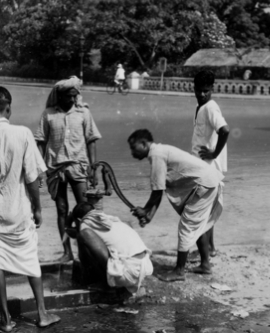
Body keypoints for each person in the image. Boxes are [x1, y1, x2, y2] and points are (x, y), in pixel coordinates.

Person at [0, 86, 61, 332]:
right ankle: (42, 314)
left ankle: (5, 320)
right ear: (9, 108)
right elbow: (32, 179)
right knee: (30, 259)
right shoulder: (23, 133)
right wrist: (37, 208)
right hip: (17, 208)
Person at [128, 129, 224, 282]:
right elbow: (159, 189)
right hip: (209, 181)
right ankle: (205, 265)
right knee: (198, 225)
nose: (132, 152)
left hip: (204, 184)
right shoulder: (160, 151)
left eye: (134, 148)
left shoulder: (156, 155)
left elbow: (157, 191)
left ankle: (179, 271)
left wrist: (146, 211)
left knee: (186, 227)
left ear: (144, 143)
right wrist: (149, 216)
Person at [35, 76, 101, 262]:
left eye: (75, 96)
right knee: (61, 209)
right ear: (60, 96)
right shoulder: (48, 114)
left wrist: (94, 168)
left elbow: (91, 140)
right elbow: (40, 141)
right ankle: (67, 252)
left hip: (79, 167)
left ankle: (86, 251)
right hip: (55, 170)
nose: (72, 99)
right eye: (69, 96)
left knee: (85, 209)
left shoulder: (83, 113)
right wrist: (40, 169)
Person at [66, 202, 153, 299]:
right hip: (145, 267)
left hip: (128, 274)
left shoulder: (85, 225)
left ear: (78, 220)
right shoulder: (112, 219)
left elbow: (85, 262)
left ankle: (107, 284)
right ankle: (126, 282)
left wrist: (69, 226)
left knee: (83, 235)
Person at [191, 70, 229, 257]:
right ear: (194, 88)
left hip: (207, 169)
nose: (202, 94)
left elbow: (225, 130)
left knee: (201, 212)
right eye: (199, 90)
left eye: (206, 91)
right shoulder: (200, 107)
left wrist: (214, 153)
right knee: (207, 211)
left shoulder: (210, 107)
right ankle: (210, 248)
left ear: (212, 89)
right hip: (201, 167)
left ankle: (204, 253)